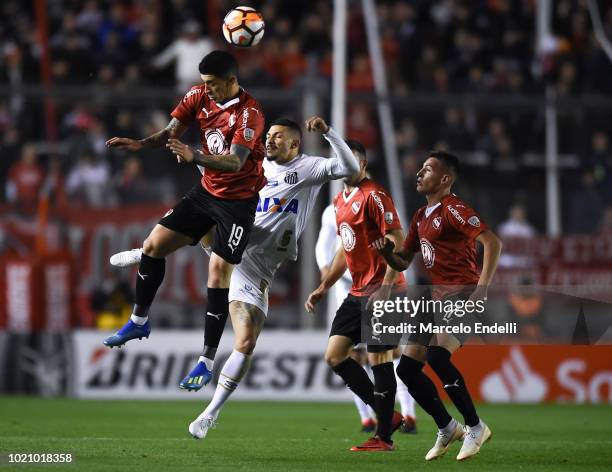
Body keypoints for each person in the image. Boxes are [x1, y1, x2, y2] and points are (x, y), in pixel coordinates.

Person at [110, 117, 360, 438]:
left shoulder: (309, 168)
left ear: (295, 144)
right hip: (233, 244)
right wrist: (196, 160)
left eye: (278, 137)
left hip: (258, 268)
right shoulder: (252, 165)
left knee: (246, 342)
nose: (269, 140)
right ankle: (150, 251)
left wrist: (328, 133)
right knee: (208, 211)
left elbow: (350, 169)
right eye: (268, 135)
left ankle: (210, 413)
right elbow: (217, 178)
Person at [102, 51, 266, 396]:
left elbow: (236, 162)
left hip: (237, 204)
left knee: (218, 272)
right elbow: (171, 130)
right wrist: (140, 144)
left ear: (231, 81)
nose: (207, 90)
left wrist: (195, 156)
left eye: (213, 84)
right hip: (205, 194)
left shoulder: (250, 112)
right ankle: (139, 322)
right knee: (152, 246)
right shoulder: (198, 95)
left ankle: (206, 361)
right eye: (204, 83)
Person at [376, 150, 502, 461]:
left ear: (445, 179)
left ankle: (475, 426)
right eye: (420, 168)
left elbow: (492, 242)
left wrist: (482, 291)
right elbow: (403, 261)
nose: (420, 173)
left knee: (437, 356)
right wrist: (385, 253)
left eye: (428, 169)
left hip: (462, 294)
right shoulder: (421, 216)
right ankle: (447, 426)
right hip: (433, 300)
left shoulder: (454, 208)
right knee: (407, 368)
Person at [305, 144, 406, 452]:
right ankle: (388, 416)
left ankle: (383, 437)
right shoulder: (339, 201)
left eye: (351, 160)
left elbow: (398, 240)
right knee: (335, 355)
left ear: (361, 164)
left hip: (385, 290)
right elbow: (343, 251)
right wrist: (324, 286)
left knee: (379, 358)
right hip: (358, 291)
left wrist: (387, 288)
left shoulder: (374, 195)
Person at [315, 203, 417, 434]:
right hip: (352, 292)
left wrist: (388, 287)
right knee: (346, 356)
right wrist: (325, 277)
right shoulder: (336, 206)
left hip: (382, 291)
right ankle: (378, 417)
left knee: (385, 356)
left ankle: (400, 419)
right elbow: (333, 246)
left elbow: (398, 249)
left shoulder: (380, 206)